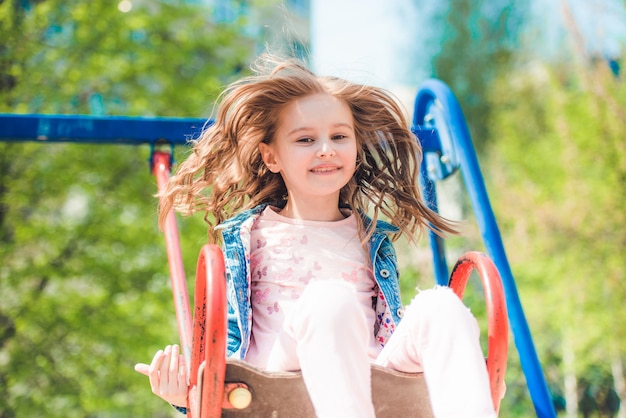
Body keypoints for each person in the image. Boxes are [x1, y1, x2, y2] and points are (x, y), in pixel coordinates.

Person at [135, 55, 497, 417]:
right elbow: (224, 345)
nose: (326, 148)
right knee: (329, 300)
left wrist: (467, 372)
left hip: (373, 379)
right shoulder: (248, 236)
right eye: (306, 139)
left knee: (442, 306)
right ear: (271, 156)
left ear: (355, 149)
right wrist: (186, 397)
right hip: (274, 381)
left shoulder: (371, 237)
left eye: (339, 136)